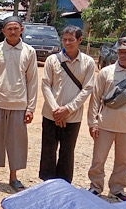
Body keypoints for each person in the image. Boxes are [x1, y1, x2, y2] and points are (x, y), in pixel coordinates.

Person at [0, 15, 38, 192]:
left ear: (22, 30)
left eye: (16, 28)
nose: (12, 31)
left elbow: (32, 81)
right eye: (9, 28)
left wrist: (30, 108)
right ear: (3, 31)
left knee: (16, 143)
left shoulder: (29, 52)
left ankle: (14, 177)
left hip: (19, 104)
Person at [88, 37, 126, 201]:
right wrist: (92, 122)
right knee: (98, 159)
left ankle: (117, 189)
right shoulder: (105, 72)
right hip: (105, 124)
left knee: (124, 162)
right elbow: (95, 98)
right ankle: (95, 187)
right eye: (120, 52)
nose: (123, 55)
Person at [39, 25, 95, 183]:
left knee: (67, 151)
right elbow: (46, 85)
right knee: (48, 149)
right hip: (51, 114)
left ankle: (63, 184)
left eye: (71, 40)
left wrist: (67, 109)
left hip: (72, 116)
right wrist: (56, 110)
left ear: (80, 40)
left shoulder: (88, 62)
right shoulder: (52, 60)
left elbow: (87, 89)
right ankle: (47, 182)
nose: (68, 43)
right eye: (65, 40)